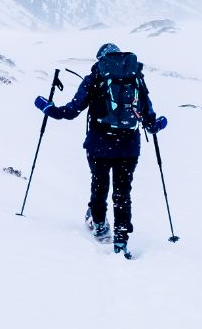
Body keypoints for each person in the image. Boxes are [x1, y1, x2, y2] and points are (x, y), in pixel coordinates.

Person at [33, 42, 168, 254]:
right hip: (129, 146)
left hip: (99, 145)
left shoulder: (94, 78)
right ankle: (121, 239)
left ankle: (99, 224)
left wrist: (46, 107)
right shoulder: (136, 78)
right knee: (123, 192)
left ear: (101, 60)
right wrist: (160, 123)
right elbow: (150, 121)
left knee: (100, 185)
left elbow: (69, 112)